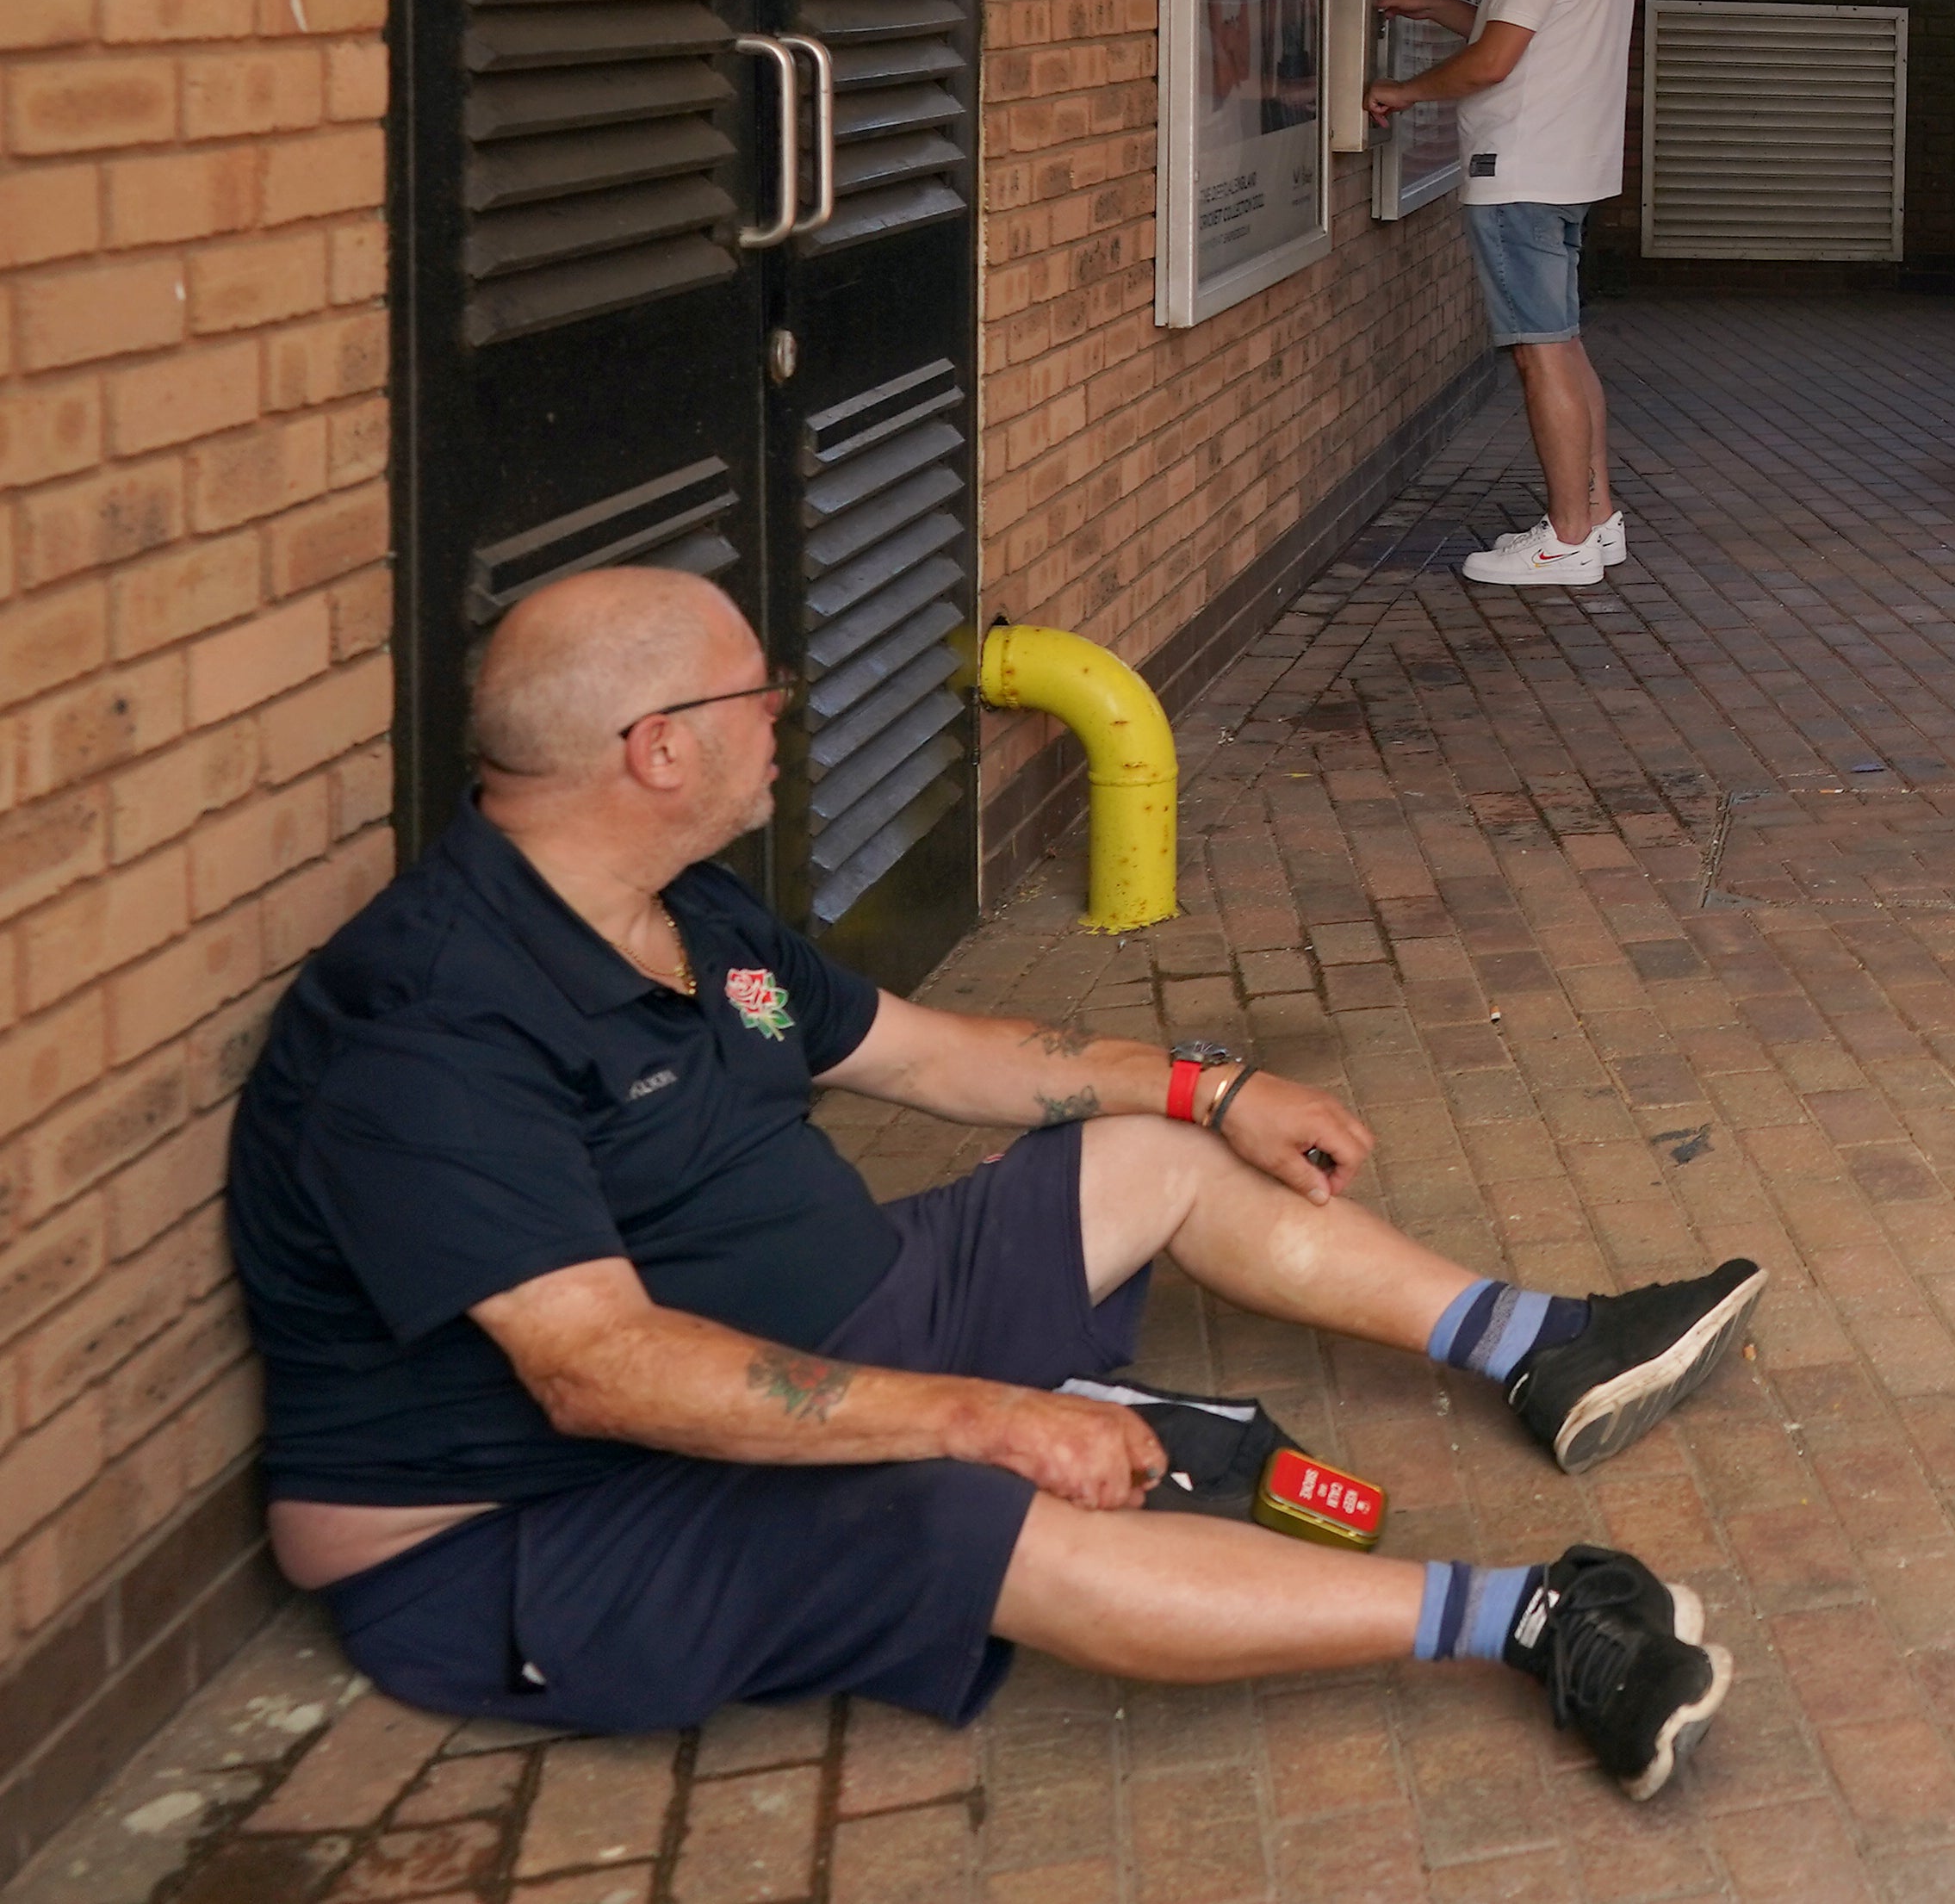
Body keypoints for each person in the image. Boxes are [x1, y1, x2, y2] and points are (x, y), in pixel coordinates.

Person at [228, 567, 1763, 1789]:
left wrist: (1210, 1086)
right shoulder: (430, 1025)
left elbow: (927, 1054)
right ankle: (1529, 1618)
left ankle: (1533, 1348)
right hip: (544, 1519)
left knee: (1152, 1159)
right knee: (980, 1518)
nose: (787, 715)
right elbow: (600, 1371)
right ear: (658, 747)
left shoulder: (683, 911)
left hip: (826, 1323)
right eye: (763, 692)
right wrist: (982, 1415)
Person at [1368, 0, 1638, 585]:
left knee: (1537, 356)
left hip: (1517, 172)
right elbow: (1512, 28)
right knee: (1564, 344)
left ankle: (1566, 538)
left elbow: (1494, 61)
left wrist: (1403, 91)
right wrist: (1427, 4)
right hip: (1569, 174)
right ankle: (1599, 518)